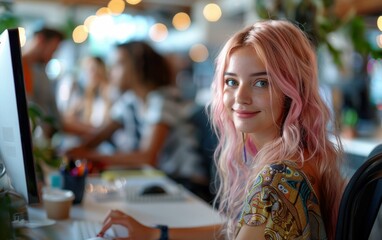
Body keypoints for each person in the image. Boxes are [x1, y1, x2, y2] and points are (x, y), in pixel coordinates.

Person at [96, 20, 346, 240]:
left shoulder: (278, 177)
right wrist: (155, 234)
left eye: (261, 82)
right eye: (231, 82)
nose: (241, 97)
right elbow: (235, 230)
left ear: (292, 90)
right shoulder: (299, 157)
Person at [68, 41, 208, 189]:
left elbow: (147, 158)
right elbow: (98, 136)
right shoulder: (131, 100)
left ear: (137, 66)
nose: (111, 72)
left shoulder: (163, 99)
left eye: (118, 64)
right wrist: (76, 151)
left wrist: (86, 155)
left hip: (185, 184)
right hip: (160, 182)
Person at [22, 27, 65, 135]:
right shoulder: (16, 66)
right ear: (40, 40)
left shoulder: (39, 71)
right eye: (53, 50)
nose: (52, 56)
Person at [64, 56, 113, 129]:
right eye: (87, 71)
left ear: (102, 69)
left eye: (92, 69)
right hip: (94, 133)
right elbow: (69, 114)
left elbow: (107, 123)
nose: (89, 74)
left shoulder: (110, 91)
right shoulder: (89, 93)